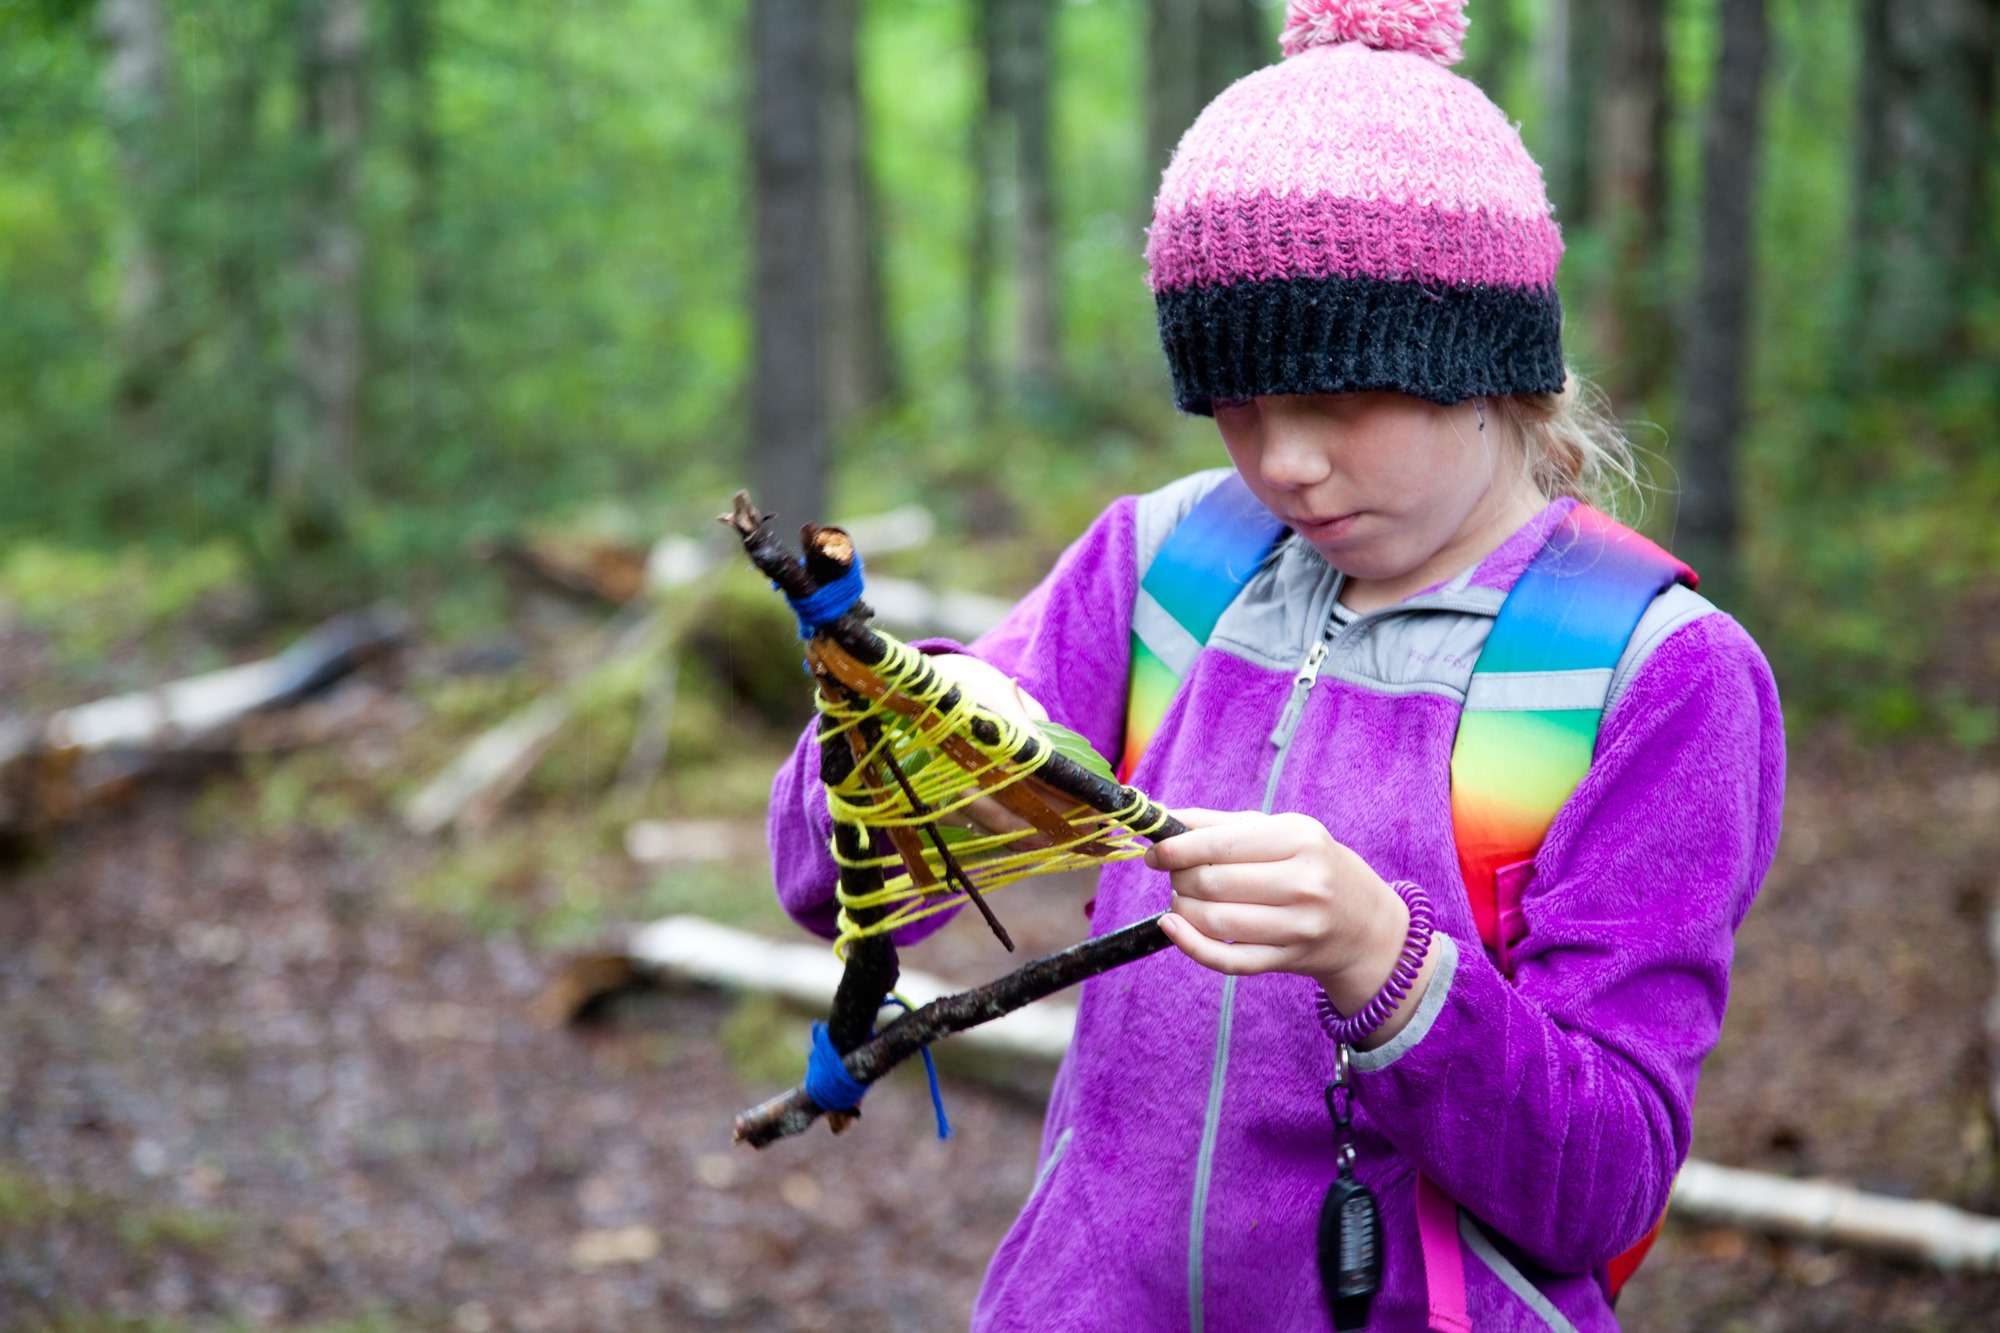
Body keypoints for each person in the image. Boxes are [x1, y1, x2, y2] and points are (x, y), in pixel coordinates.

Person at [767, 2, 1786, 1328]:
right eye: (1239, 405)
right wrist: (911, 741)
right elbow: (825, 890)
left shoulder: (1646, 671)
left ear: (1481, 363)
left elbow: (1603, 1182)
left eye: (1336, 397)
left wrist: (1387, 960)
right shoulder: (1167, 563)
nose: (1284, 462)